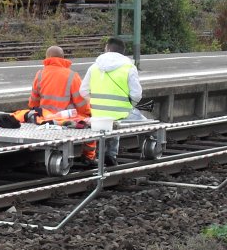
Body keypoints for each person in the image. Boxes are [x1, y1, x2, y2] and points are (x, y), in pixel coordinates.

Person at [80, 36, 143, 167]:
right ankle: (146, 151)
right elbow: (137, 95)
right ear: (123, 51)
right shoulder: (128, 67)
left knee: (111, 123)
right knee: (148, 125)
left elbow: (83, 91)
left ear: (107, 49)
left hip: (98, 114)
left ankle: (108, 154)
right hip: (121, 113)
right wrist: (129, 105)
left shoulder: (94, 67)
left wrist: (95, 104)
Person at [27, 45, 94, 161]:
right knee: (90, 125)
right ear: (63, 58)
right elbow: (81, 103)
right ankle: (88, 157)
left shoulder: (40, 74)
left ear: (47, 57)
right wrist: (89, 114)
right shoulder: (72, 75)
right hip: (66, 119)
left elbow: (33, 101)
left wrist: (36, 114)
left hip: (45, 118)